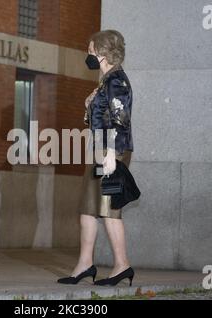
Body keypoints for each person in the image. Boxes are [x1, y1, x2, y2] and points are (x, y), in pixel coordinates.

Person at [58, 30, 135, 286]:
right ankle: (85, 264)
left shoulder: (116, 81)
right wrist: (90, 104)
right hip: (100, 149)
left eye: (90, 51)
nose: (88, 55)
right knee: (88, 210)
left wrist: (112, 154)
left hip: (110, 150)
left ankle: (122, 265)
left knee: (108, 209)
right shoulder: (107, 81)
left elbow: (121, 120)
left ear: (102, 53)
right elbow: (102, 117)